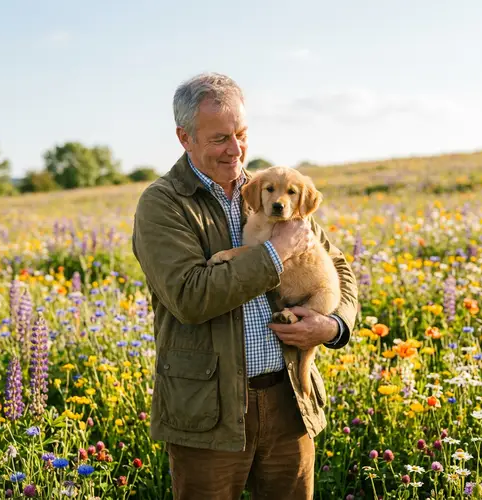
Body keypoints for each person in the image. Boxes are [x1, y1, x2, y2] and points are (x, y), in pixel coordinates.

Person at [132, 72, 358, 500]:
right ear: (185, 138)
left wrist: (333, 327)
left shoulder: (271, 187)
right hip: (209, 411)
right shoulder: (163, 204)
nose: (234, 149)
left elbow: (339, 271)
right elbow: (189, 297)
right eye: (219, 138)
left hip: (288, 396)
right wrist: (274, 254)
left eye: (241, 133)